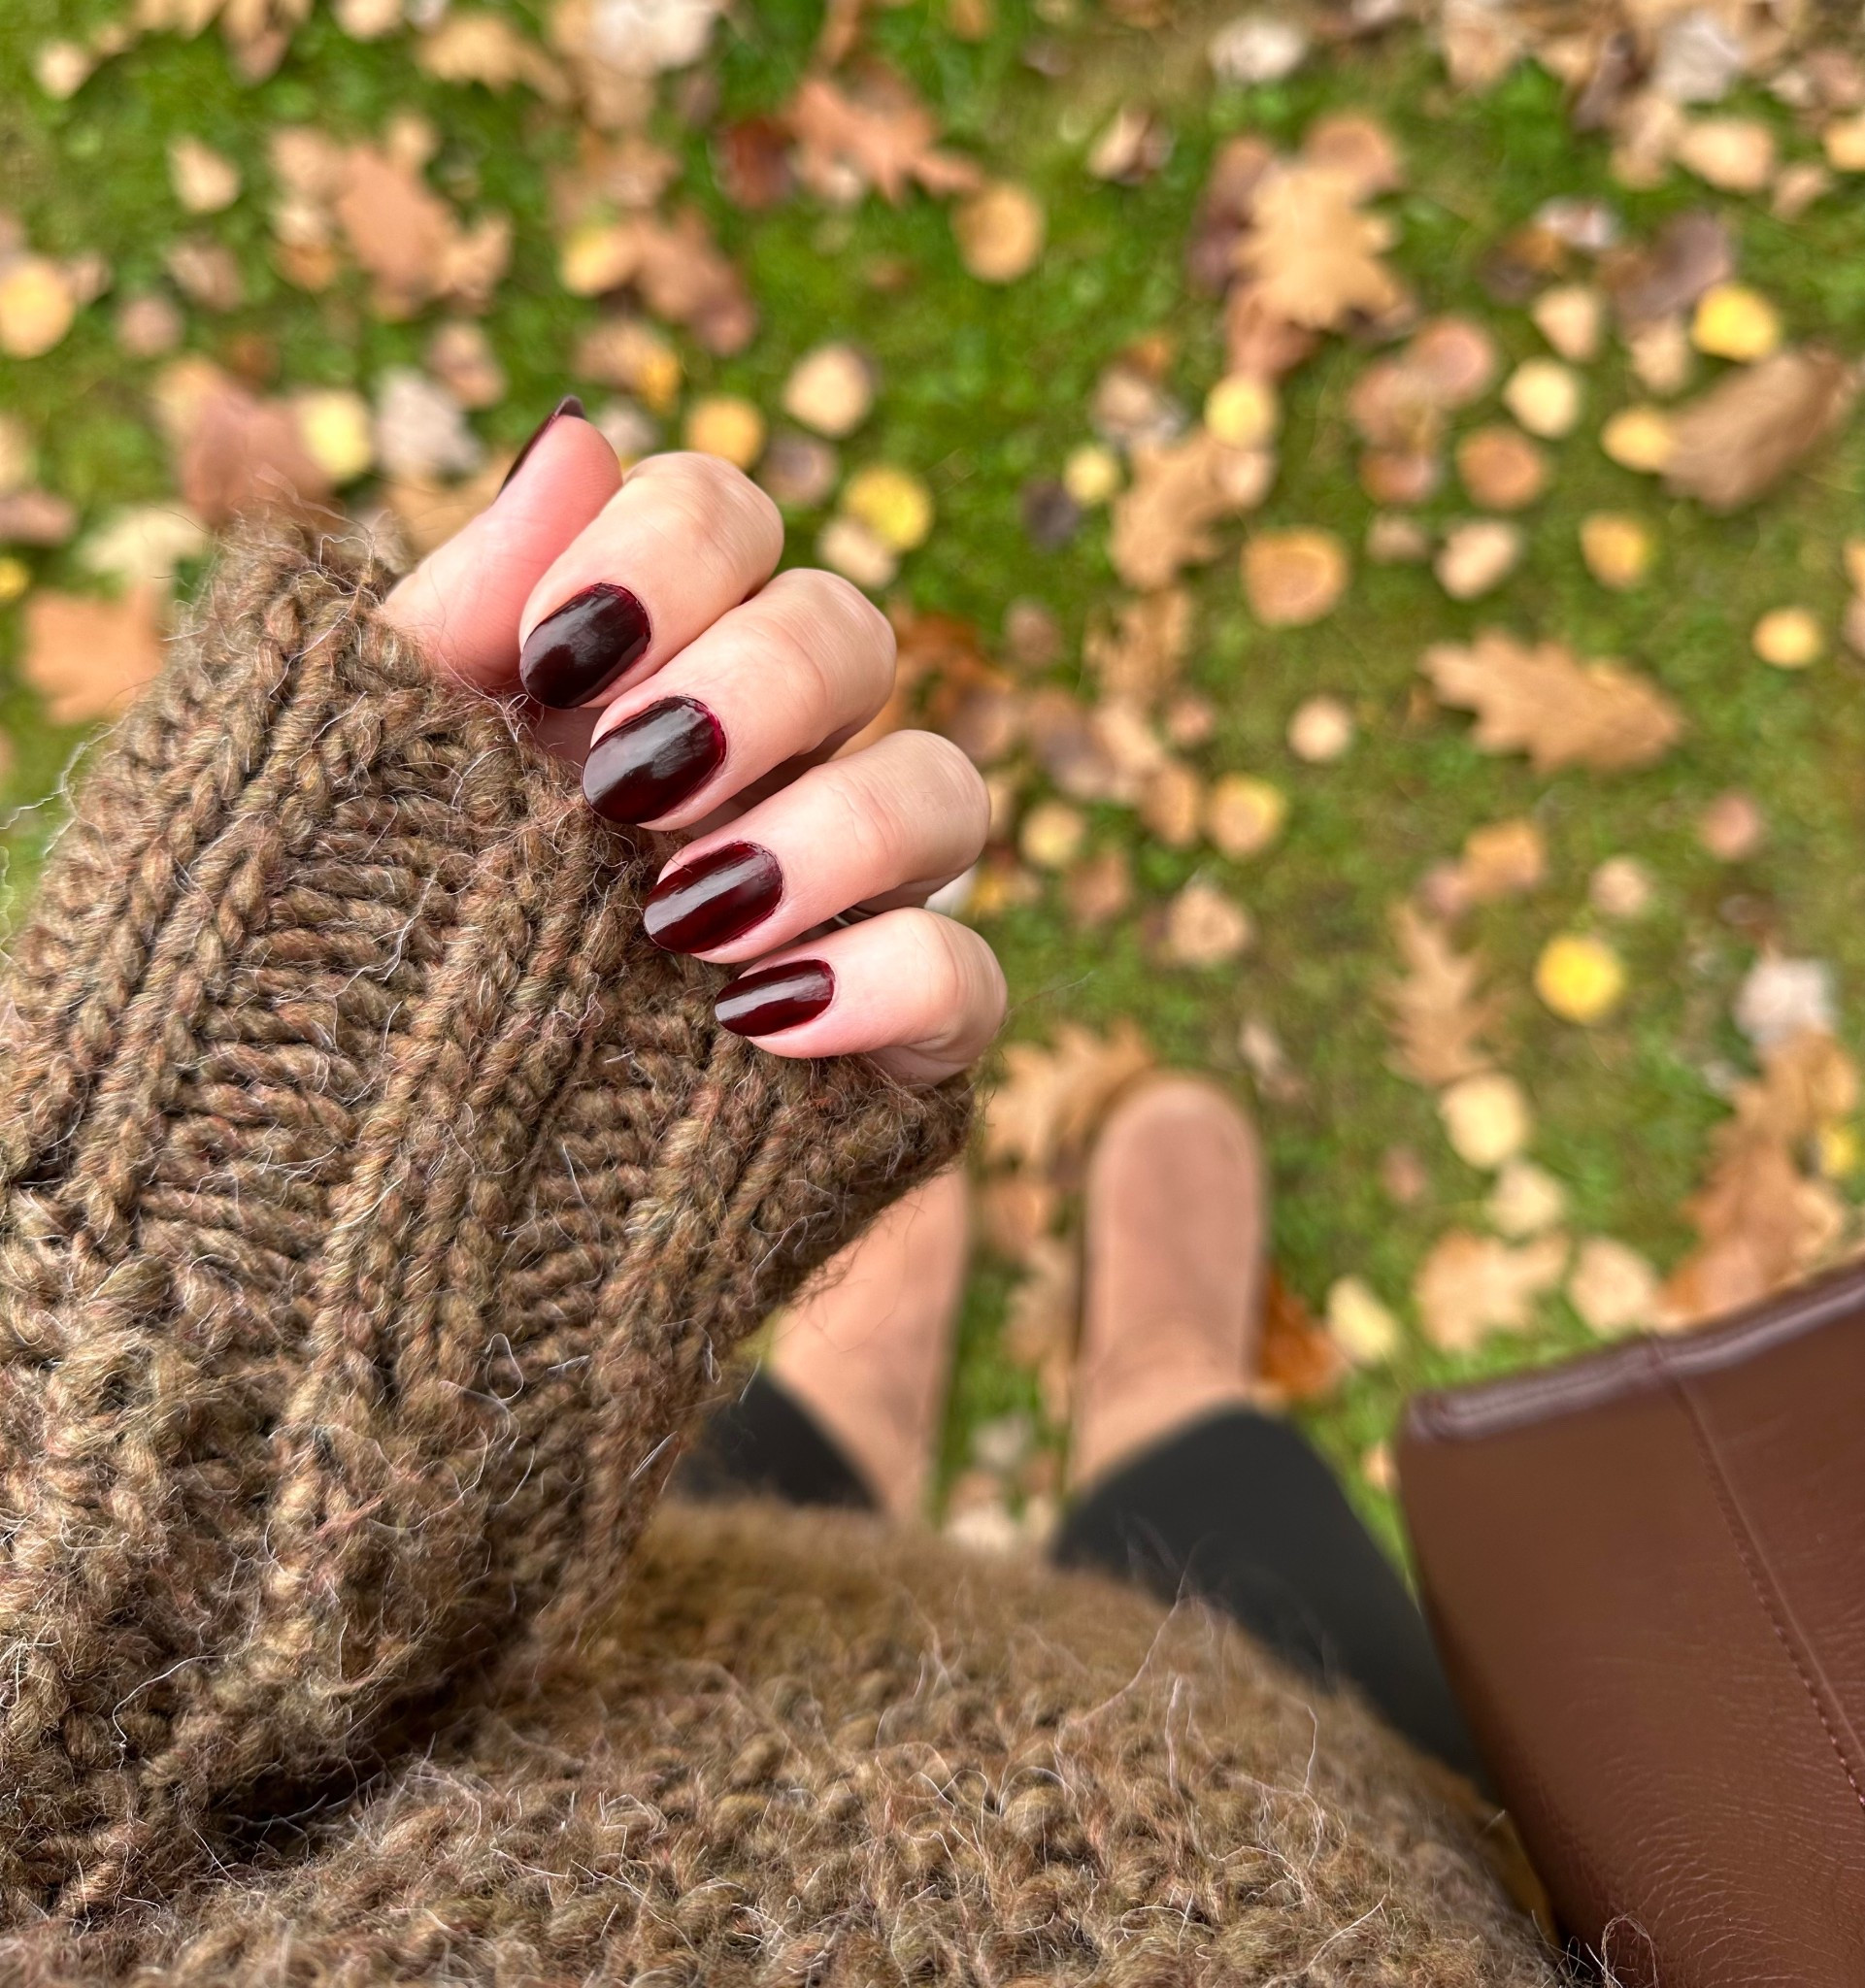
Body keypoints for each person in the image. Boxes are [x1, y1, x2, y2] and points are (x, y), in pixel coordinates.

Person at [0, 405, 1556, 1983]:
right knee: (1224, 1519)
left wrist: (201, 1335)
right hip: (1345, 1835)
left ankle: (860, 1417)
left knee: (771, 1483)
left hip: (680, 1650)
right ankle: (1165, 1395)